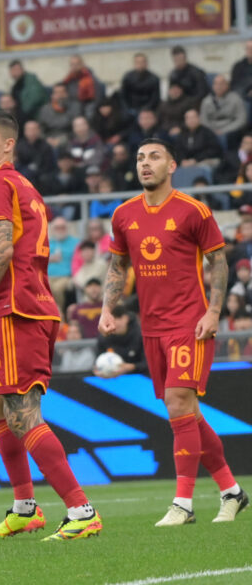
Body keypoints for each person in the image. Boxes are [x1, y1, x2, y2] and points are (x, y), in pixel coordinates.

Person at [0, 110, 102, 541]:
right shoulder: (25, 186)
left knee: (23, 415)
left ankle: (81, 510)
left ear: (9, 145)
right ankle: (26, 507)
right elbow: (20, 254)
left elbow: (1, 250)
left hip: (22, 310)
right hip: (23, 304)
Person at [100, 138, 247, 526]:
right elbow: (117, 267)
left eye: (153, 157)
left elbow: (218, 261)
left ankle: (183, 503)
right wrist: (107, 308)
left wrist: (214, 312)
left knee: (179, 401)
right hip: (152, 327)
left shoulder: (193, 211)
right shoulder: (124, 214)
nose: (145, 164)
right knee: (186, 412)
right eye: (139, 157)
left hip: (190, 322)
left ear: (172, 166)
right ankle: (232, 491)